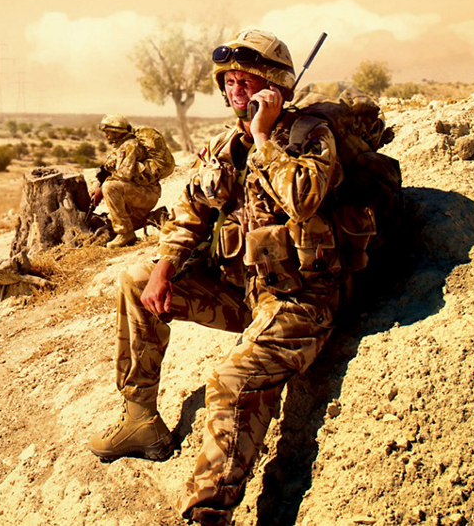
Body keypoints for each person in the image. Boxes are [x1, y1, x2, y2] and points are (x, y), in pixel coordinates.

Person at [88, 29, 346, 525]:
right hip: (243, 292)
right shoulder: (228, 144)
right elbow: (191, 212)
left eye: (247, 81)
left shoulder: (309, 135)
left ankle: (206, 514)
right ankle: (141, 418)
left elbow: (304, 199)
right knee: (136, 278)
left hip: (302, 301)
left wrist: (266, 138)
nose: (235, 92)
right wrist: (163, 270)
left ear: (275, 86)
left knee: (228, 382)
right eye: (228, 82)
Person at [91, 114, 164, 248]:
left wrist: (101, 189)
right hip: (142, 193)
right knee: (111, 227)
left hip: (147, 194)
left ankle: (125, 233)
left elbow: (124, 175)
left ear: (116, 131)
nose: (106, 135)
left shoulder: (129, 145)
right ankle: (156, 217)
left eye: (108, 131)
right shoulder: (121, 146)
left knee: (110, 187)